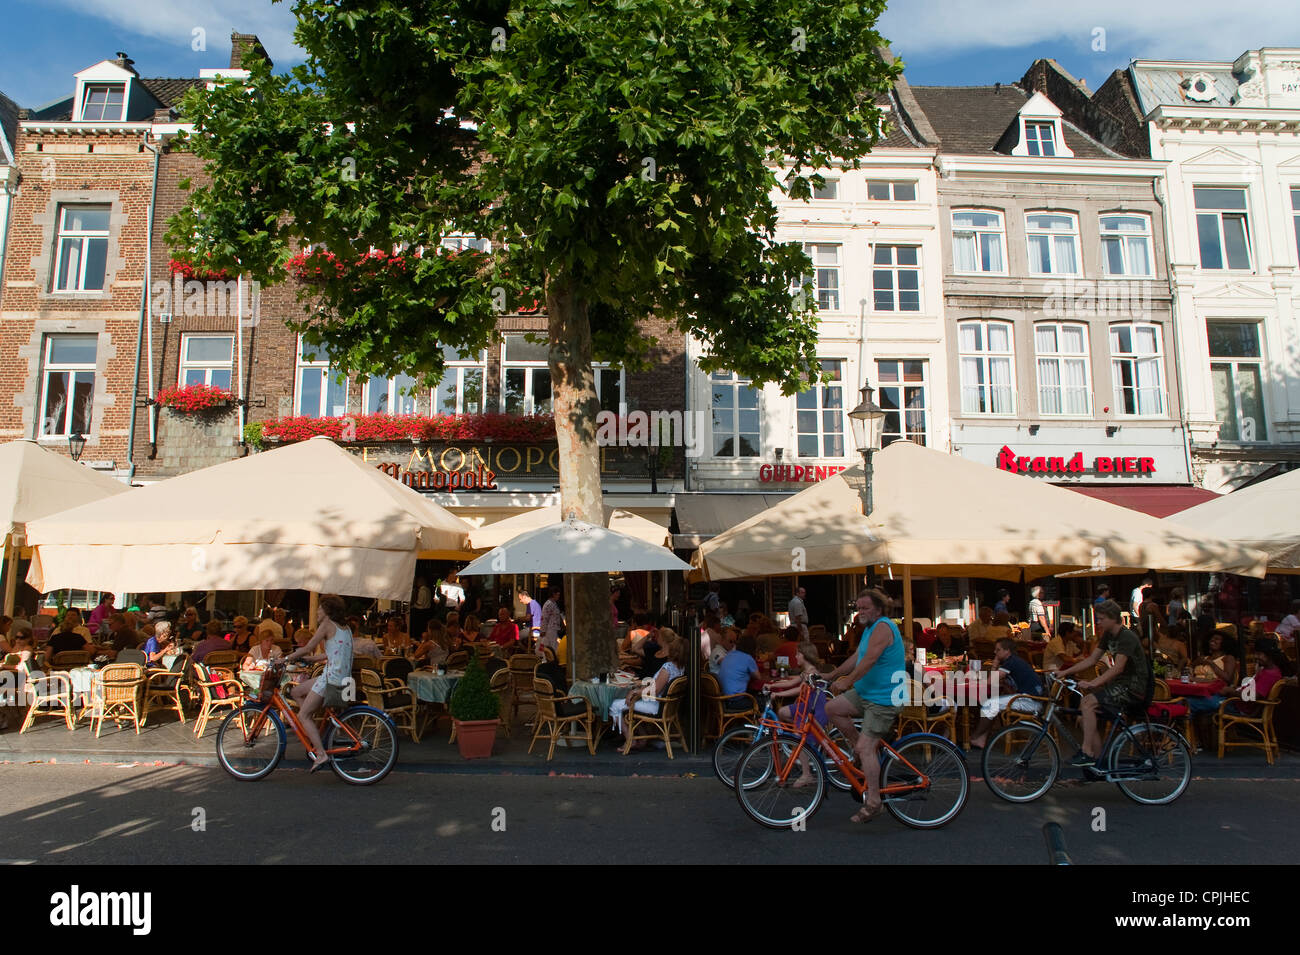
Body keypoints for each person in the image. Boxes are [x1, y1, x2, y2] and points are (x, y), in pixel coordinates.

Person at [824, 588, 905, 823]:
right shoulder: (869, 629)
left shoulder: (883, 626)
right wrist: (833, 675)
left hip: (884, 698)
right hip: (866, 693)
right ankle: (858, 749)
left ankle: (874, 802)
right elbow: (858, 656)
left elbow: (869, 661)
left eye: (865, 608)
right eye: (858, 608)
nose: (860, 612)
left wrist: (847, 682)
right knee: (832, 709)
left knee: (866, 747)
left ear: (878, 609)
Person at [1055, 599, 1149, 768]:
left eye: (1101, 618)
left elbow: (1118, 667)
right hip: (1119, 685)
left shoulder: (1126, 636)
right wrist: (1064, 672)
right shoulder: (1108, 635)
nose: (1098, 622)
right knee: (1083, 718)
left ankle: (1087, 752)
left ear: (1113, 618)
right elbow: (1092, 659)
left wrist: (1093, 683)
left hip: (1133, 686)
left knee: (1088, 702)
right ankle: (1098, 763)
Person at [286, 594, 354, 772]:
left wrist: (284, 659)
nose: (317, 611)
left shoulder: (327, 625)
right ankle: (313, 733)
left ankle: (321, 753)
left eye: (319, 607)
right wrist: (313, 659)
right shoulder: (345, 628)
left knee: (303, 716)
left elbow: (307, 646)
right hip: (344, 679)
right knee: (297, 692)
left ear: (327, 610)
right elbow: (335, 652)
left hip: (330, 679)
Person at [763, 642, 832, 787]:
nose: (795, 656)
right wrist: (773, 685)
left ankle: (806, 774)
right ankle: (797, 736)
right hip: (805, 706)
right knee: (782, 712)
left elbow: (799, 690)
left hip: (814, 709)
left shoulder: (812, 672)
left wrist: (776, 693)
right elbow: (792, 682)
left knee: (800, 737)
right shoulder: (806, 671)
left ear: (805, 655)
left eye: (797, 654)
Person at [608, 630, 687, 742]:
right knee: (626, 705)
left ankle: (630, 739)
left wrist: (635, 692)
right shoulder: (679, 667)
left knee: (614, 705)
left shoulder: (667, 668)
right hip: (666, 706)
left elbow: (655, 690)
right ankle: (642, 738)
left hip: (656, 706)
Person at [969, 638, 1044, 749]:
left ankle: (975, 737)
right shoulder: (1015, 661)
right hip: (1031, 699)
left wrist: (995, 663)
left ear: (1007, 651)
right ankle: (982, 738)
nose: (995, 652)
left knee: (989, 705)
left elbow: (990, 681)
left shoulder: (1011, 662)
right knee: (993, 704)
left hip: (1030, 701)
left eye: (998, 650)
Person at [540, 589, 563, 656]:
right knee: (551, 646)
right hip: (550, 629)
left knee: (552, 645)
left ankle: (550, 660)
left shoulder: (553, 603)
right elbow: (544, 618)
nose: (558, 596)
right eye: (557, 594)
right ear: (553, 594)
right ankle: (548, 660)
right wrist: (543, 630)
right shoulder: (549, 604)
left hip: (553, 628)